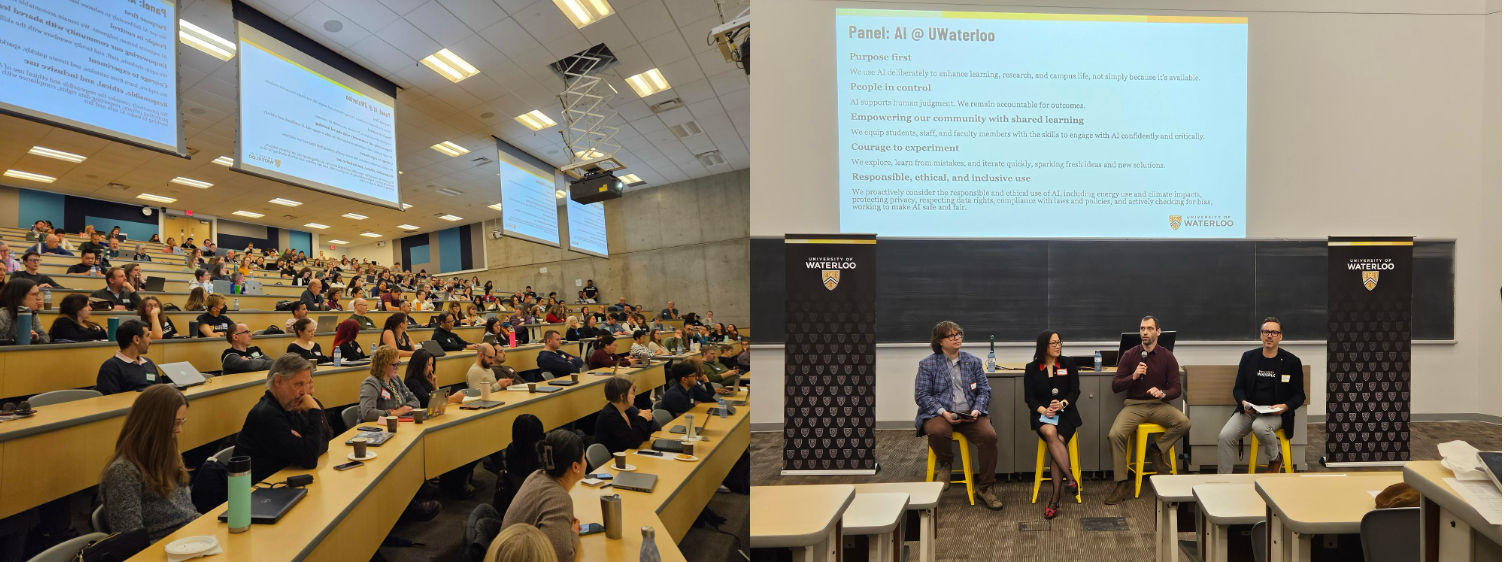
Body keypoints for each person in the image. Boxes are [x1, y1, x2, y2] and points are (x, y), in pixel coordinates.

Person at [914, 321, 1002, 510]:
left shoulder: (973, 361)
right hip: (940, 413)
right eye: (951, 335)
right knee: (938, 430)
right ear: (939, 342)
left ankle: (986, 489)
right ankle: (945, 464)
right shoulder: (928, 364)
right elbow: (921, 395)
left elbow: (985, 391)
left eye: (958, 334)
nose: (956, 338)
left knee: (989, 437)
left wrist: (977, 409)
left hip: (970, 413)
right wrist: (943, 413)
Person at [1105, 316, 1191, 505]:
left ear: (1158, 332)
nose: (1145, 332)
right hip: (1134, 405)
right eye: (1142, 328)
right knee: (1115, 434)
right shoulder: (1130, 355)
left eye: (1149, 329)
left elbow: (1176, 389)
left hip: (1158, 405)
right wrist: (1133, 376)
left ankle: (1156, 450)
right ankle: (1122, 483)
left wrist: (1162, 393)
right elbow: (1116, 385)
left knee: (1184, 422)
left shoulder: (1167, 356)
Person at [98, 385, 199, 543]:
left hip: (188, 538)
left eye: (182, 421)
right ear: (154, 423)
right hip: (157, 548)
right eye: (175, 422)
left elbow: (188, 512)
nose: (179, 430)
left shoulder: (171, 453)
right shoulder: (123, 472)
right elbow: (130, 540)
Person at [1217, 317, 1305, 474]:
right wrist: (1243, 402)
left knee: (1259, 427)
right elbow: (1238, 389)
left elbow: (1299, 395)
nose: (1269, 335)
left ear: (1280, 336)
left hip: (1274, 413)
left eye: (1274, 332)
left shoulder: (1292, 362)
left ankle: (1274, 458)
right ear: (1261, 334)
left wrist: (1284, 407)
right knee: (1225, 436)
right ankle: (1224, 480)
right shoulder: (1249, 357)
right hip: (1250, 410)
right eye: (1266, 332)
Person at [232, 354, 330, 484]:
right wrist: (314, 410)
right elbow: (311, 458)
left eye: (305, 384)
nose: (304, 392)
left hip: (277, 484)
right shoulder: (267, 414)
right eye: (299, 384)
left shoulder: (287, 407)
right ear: (278, 381)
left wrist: (306, 445)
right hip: (256, 493)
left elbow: (322, 442)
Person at [500, 429, 585, 562]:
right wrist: (574, 533)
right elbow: (561, 557)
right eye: (583, 458)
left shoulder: (537, 475)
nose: (585, 462)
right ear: (575, 467)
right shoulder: (559, 499)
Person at [1023, 330, 1081, 518]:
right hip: (1042, 416)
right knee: (1050, 433)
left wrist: (1062, 403)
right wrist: (1044, 410)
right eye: (1053, 343)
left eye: (1059, 342)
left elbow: (1075, 391)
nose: (1058, 346)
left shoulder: (1068, 364)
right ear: (1043, 346)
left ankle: (1055, 499)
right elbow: (1029, 398)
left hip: (1065, 415)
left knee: (1058, 440)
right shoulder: (1032, 368)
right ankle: (1070, 479)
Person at [96, 320, 165, 395]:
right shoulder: (110, 367)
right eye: (147, 336)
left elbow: (160, 391)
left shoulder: (148, 362)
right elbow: (110, 401)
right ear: (136, 339)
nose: (150, 340)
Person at [594, 376, 655, 454]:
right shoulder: (610, 416)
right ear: (622, 396)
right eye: (631, 393)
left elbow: (644, 438)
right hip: (615, 461)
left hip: (627, 454)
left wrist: (647, 419)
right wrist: (642, 419)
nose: (634, 396)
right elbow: (633, 442)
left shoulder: (627, 411)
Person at [359, 346, 421, 422]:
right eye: (394, 365)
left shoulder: (395, 379)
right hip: (375, 428)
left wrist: (402, 410)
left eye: (398, 364)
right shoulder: (370, 384)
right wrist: (395, 413)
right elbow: (368, 414)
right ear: (383, 365)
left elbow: (415, 401)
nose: (397, 368)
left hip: (395, 423)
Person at [0, 279, 49, 344]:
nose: (39, 298)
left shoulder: (33, 313)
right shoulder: (3, 314)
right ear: (19, 296)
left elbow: (46, 337)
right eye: (34, 294)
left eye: (38, 294)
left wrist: (36, 337)